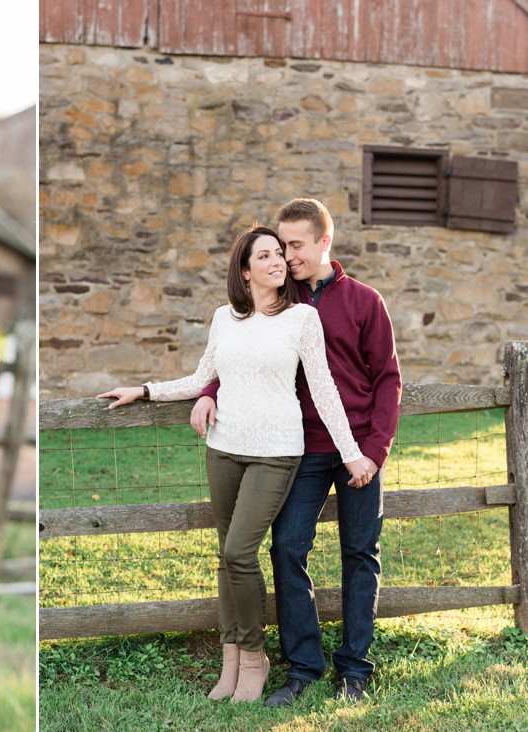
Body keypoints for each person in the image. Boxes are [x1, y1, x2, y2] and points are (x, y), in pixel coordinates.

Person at [97, 225, 369, 703]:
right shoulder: (225, 317)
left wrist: (350, 453)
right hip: (224, 448)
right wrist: (144, 390)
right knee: (226, 557)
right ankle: (230, 660)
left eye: (278, 254)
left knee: (240, 553)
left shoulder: (302, 318)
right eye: (264, 256)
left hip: (277, 452)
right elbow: (204, 376)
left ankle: (254, 656)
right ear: (245, 272)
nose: (277, 261)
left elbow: (324, 391)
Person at [194, 198, 401, 705]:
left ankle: (355, 667)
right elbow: (244, 356)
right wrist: (208, 391)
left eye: (295, 246)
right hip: (299, 450)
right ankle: (303, 666)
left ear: (323, 242)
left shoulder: (364, 301)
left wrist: (372, 451)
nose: (285, 256)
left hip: (356, 451)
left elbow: (388, 380)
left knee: (360, 554)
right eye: (280, 247)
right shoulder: (277, 299)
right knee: (287, 549)